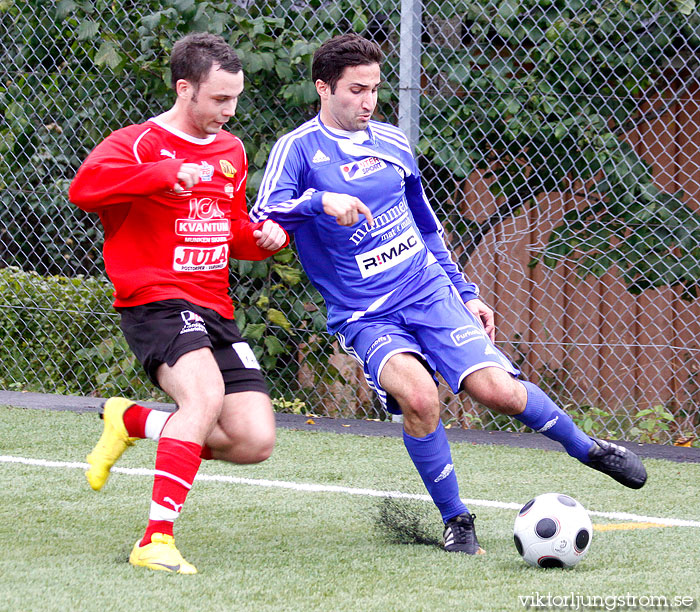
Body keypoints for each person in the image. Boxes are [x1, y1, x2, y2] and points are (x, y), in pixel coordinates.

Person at [250, 33, 647, 555]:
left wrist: (466, 291)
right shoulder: (297, 150)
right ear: (322, 88)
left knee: (497, 393)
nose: (368, 101)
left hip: (427, 288)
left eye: (374, 89)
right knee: (420, 398)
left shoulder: (391, 141)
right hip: (365, 312)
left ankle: (586, 447)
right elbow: (263, 217)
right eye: (355, 90)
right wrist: (321, 201)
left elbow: (426, 224)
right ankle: (457, 520)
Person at [69, 32, 289, 574]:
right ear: (185, 88)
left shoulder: (231, 149)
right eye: (218, 99)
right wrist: (165, 174)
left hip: (214, 305)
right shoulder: (137, 142)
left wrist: (262, 238)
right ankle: (155, 540)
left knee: (254, 439)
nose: (229, 110)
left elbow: (230, 229)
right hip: (154, 298)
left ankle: (133, 421)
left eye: (235, 98)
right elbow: (84, 191)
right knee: (203, 396)